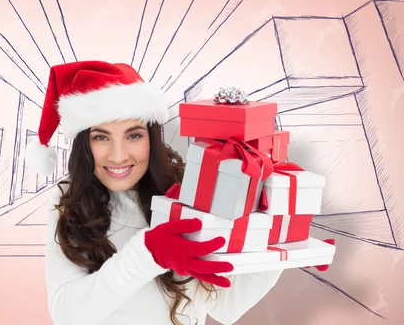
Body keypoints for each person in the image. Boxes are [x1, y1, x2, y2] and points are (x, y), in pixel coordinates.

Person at [25, 61, 284, 325]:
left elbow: (225, 306)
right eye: (101, 137)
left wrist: (282, 247)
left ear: (151, 137)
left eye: (133, 136)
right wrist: (148, 253)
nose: (117, 156)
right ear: (84, 143)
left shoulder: (186, 190)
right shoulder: (70, 199)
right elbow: (66, 315)